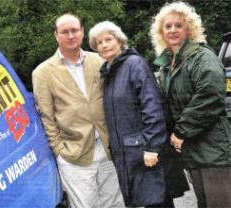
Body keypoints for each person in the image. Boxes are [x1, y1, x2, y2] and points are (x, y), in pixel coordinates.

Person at [88, 21, 189, 207]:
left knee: (159, 202)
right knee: (147, 201)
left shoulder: (135, 65)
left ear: (119, 41)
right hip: (129, 155)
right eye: (99, 42)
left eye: (108, 39)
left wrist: (152, 147)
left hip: (147, 152)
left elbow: (154, 108)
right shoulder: (109, 73)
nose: (104, 45)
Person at [32, 13, 124, 208]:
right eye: (65, 32)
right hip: (74, 154)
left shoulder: (99, 61)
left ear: (82, 32)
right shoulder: (42, 72)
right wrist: (60, 152)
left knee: (115, 203)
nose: (71, 35)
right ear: (56, 35)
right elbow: (46, 117)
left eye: (75, 30)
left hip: (108, 149)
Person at [150, 1, 231, 208]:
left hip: (214, 151)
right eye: (168, 26)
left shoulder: (202, 57)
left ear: (190, 28)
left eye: (179, 25)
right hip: (193, 152)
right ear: (161, 31)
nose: (173, 30)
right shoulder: (167, 64)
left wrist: (181, 132)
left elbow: (210, 96)